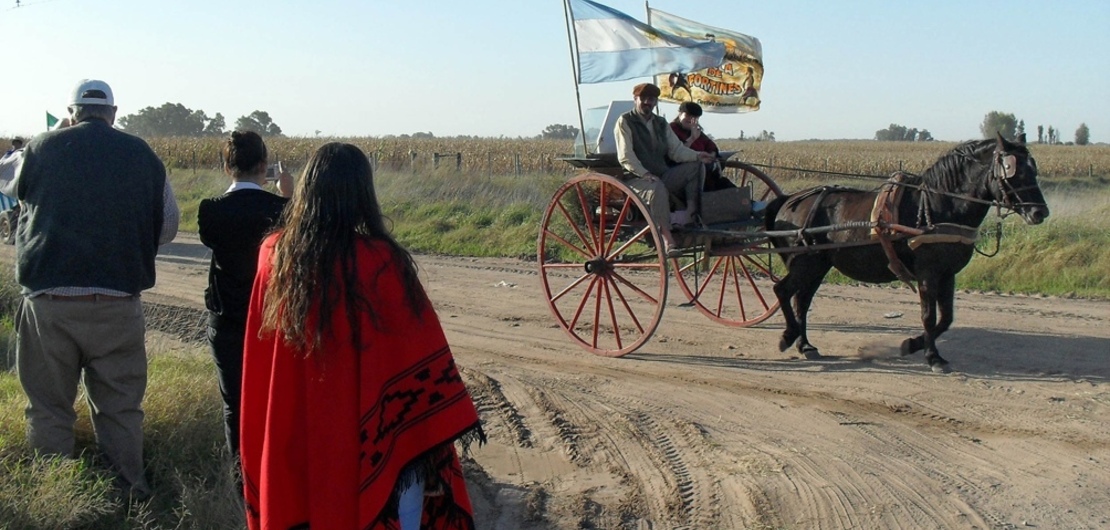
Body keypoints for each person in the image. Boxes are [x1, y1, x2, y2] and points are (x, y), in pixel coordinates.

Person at [240, 142, 484, 530]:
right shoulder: (379, 261)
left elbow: (258, 360)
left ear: (307, 190)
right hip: (375, 453)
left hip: (294, 438)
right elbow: (418, 362)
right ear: (362, 194)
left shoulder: (274, 254)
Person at [11, 79, 179, 501]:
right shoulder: (143, 154)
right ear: (115, 113)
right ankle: (129, 494)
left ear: (71, 112)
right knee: (120, 409)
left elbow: (13, 193)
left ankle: (54, 496)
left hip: (50, 301)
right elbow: (169, 226)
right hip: (119, 302)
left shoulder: (41, 148)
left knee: (49, 408)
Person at [197, 130, 292, 462]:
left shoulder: (211, 210)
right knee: (274, 402)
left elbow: (213, 241)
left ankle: (241, 474)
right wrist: (289, 196)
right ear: (263, 165)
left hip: (227, 320)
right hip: (273, 321)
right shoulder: (283, 209)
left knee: (234, 404)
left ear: (227, 166)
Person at [615, 83, 716, 250]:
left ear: (656, 102)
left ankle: (690, 215)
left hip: (662, 174)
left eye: (652, 99)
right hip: (636, 179)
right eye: (644, 98)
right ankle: (666, 238)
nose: (648, 102)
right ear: (635, 99)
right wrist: (644, 173)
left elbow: (676, 150)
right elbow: (626, 156)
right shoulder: (625, 121)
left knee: (696, 167)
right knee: (657, 187)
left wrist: (698, 156)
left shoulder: (660, 123)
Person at [669, 101, 735, 191]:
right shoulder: (672, 129)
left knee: (724, 184)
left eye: (695, 117)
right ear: (680, 114)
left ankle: (746, 201)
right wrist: (692, 138)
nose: (691, 120)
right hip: (685, 172)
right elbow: (678, 153)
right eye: (688, 116)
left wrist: (712, 155)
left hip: (706, 170)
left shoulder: (696, 130)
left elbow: (710, 145)